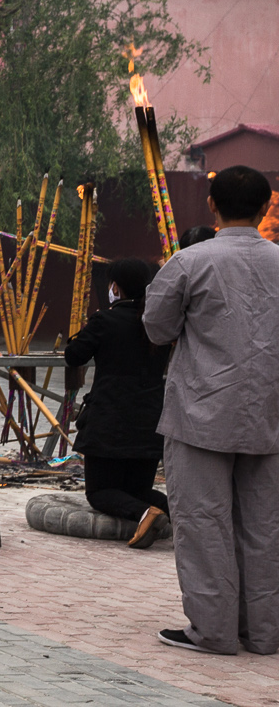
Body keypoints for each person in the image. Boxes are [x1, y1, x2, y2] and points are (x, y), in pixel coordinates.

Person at [142, 165, 279, 655]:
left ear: (212, 205)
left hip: (200, 411)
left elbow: (157, 327)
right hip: (269, 414)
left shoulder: (189, 262)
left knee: (203, 523)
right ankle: (264, 632)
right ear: (266, 207)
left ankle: (213, 631)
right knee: (265, 527)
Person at [64, 258, 171, 545]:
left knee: (99, 492)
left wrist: (87, 327)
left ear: (116, 287)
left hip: (109, 421)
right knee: (138, 489)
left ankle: (146, 513)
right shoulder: (159, 322)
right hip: (150, 420)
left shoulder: (106, 320)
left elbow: (74, 355)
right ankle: (184, 514)